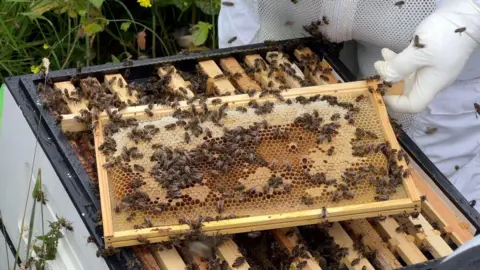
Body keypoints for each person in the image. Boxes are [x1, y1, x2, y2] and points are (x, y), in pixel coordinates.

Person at [218, 0, 480, 211]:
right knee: (250, 137)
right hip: (277, 10)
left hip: (434, 24)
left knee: (420, 191)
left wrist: (469, 17)